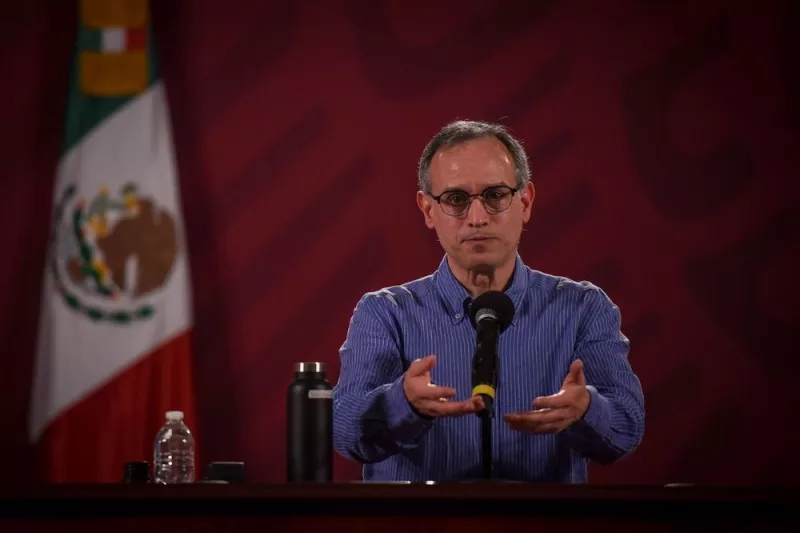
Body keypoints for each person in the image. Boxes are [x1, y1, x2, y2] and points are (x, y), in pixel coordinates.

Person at [332, 120, 645, 483]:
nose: (478, 218)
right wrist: (402, 404)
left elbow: (627, 427)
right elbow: (343, 428)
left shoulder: (583, 309)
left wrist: (587, 409)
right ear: (428, 210)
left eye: (495, 195)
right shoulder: (386, 313)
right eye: (456, 199)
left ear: (525, 202)